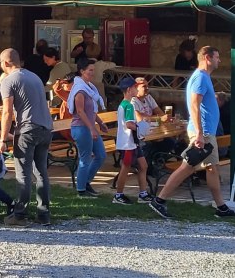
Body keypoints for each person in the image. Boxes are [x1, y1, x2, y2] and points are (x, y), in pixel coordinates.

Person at [150, 46, 235, 218]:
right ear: (207, 58)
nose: (219, 60)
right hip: (202, 133)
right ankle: (159, 201)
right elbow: (195, 106)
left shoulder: (205, 77)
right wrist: (198, 133)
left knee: (212, 168)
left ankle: (221, 207)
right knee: (187, 167)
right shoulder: (200, 78)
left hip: (206, 133)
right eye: (217, 57)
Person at [0, 48, 53, 226]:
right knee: (41, 173)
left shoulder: (9, 80)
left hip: (27, 129)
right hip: (45, 128)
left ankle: (19, 215)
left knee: (23, 174)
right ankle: (44, 215)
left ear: (5, 63)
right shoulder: (34, 77)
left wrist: (3, 139)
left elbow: (7, 112)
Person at [68, 59, 108, 198]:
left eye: (93, 70)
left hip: (90, 127)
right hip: (81, 128)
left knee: (101, 155)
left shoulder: (89, 87)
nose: (92, 72)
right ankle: (81, 190)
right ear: (82, 71)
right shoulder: (80, 89)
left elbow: (91, 111)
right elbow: (80, 111)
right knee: (85, 159)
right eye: (90, 70)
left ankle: (86, 182)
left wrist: (100, 122)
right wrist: (92, 128)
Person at [113, 77, 154, 205]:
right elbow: (130, 124)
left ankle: (143, 194)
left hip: (131, 142)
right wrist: (141, 127)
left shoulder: (124, 104)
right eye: (136, 87)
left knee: (143, 165)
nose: (137, 89)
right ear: (129, 90)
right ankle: (118, 195)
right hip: (128, 143)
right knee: (125, 168)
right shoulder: (129, 105)